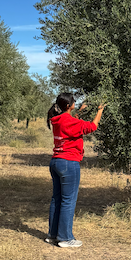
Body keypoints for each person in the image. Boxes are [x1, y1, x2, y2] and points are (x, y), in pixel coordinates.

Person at [45, 93, 106, 248]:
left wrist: (79, 111)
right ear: (68, 106)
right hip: (68, 162)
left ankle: (53, 235)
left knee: (57, 199)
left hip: (56, 161)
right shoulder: (68, 121)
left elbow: (71, 123)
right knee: (68, 201)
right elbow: (92, 127)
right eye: (73, 102)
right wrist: (100, 111)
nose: (75, 103)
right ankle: (65, 238)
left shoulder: (58, 119)